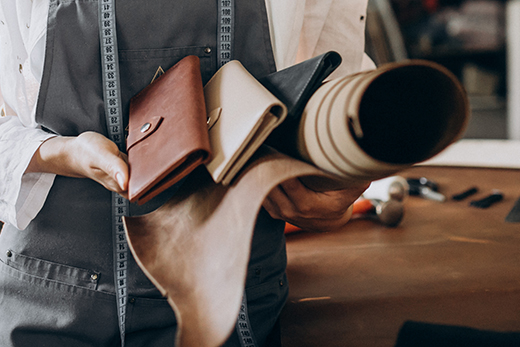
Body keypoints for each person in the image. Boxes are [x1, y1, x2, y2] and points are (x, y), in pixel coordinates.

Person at [0, 0, 373, 346]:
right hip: (53, 303)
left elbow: (340, 100)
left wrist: (338, 184)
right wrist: (57, 154)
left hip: (240, 301)